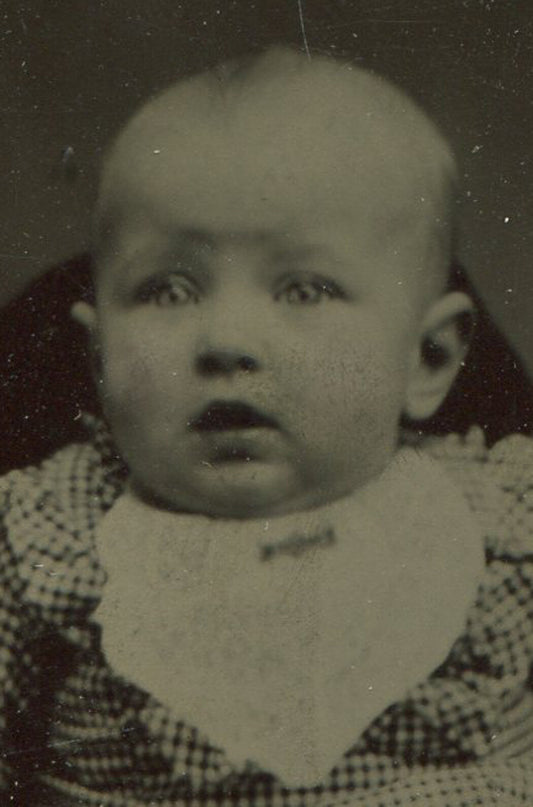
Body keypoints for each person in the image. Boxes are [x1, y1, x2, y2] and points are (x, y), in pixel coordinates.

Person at [1, 46, 533, 806]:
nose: (227, 341)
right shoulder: (46, 536)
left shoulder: (501, 519)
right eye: (169, 290)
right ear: (98, 356)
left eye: (304, 289)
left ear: (427, 358)